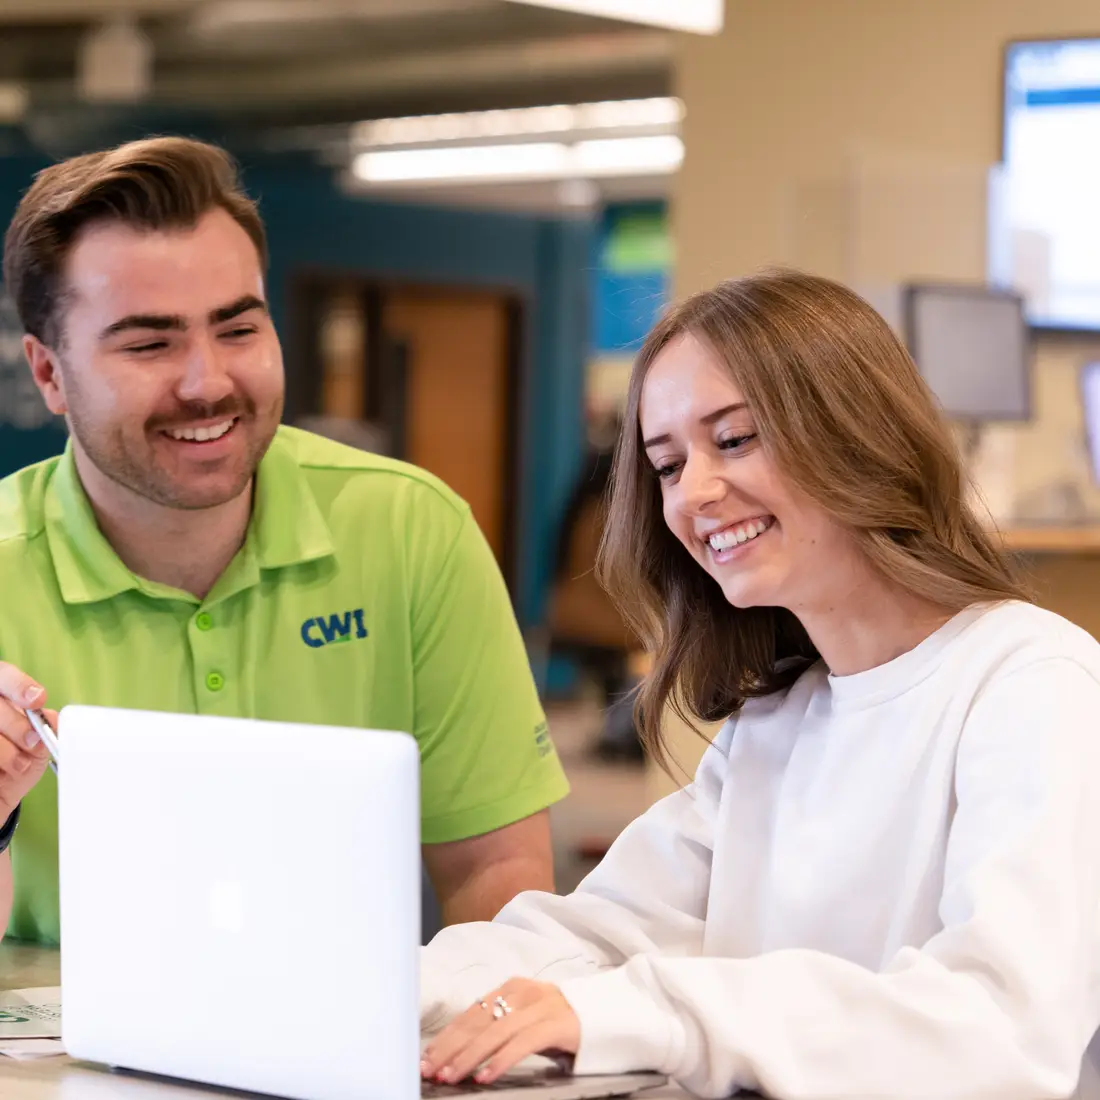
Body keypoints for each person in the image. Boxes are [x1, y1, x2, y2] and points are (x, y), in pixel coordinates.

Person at [418, 270, 1100, 1099]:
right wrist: (397, 987)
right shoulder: (773, 723)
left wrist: (660, 1011)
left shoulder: (1035, 685)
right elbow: (601, 932)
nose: (694, 494)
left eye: (734, 441)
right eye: (668, 465)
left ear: (855, 432)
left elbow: (998, 1033)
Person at [0, 136, 569, 945]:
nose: (207, 382)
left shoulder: (410, 531)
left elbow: (494, 872)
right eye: (149, 343)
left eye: (237, 328)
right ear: (49, 374)